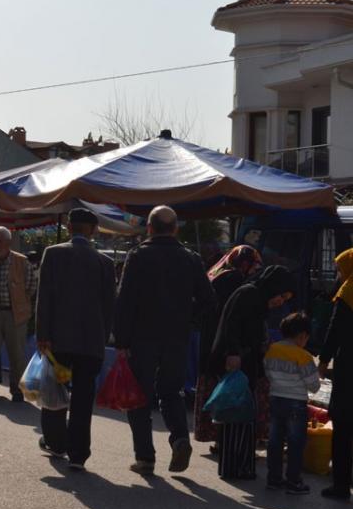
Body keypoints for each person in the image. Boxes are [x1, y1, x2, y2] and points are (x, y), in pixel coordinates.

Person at [114, 205, 215, 476]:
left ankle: (145, 457)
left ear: (149, 227)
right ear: (176, 229)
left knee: (139, 397)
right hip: (177, 337)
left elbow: (124, 301)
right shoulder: (190, 258)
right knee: (171, 391)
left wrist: (121, 340)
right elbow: (208, 300)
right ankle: (180, 437)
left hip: (141, 337)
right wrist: (187, 318)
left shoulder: (137, 256)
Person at [36, 209, 115, 470]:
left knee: (55, 390)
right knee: (83, 398)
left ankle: (56, 442)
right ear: (93, 230)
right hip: (91, 343)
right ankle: (79, 454)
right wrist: (102, 337)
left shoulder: (54, 254)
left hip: (59, 341)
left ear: (69, 227)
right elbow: (108, 306)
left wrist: (42, 334)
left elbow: (44, 297)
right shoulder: (104, 262)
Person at [210, 265, 295, 480]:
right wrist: (232, 352)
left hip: (247, 362)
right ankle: (233, 467)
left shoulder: (257, 298)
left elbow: (253, 331)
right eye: (281, 296)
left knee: (244, 416)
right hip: (236, 361)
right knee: (236, 416)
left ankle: (242, 466)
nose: (280, 302)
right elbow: (231, 324)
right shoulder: (248, 294)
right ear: (273, 287)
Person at [195, 245, 264, 447]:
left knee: (218, 387)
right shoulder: (234, 280)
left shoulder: (217, 275)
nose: (254, 270)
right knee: (228, 390)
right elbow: (233, 317)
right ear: (244, 263)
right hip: (224, 342)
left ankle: (219, 439)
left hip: (211, 339)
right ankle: (225, 440)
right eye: (252, 265)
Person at [0, 226, 38, 404]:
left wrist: (21, 304)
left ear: (8, 242)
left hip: (15, 315)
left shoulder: (22, 261)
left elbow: (31, 286)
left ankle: (17, 392)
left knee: (17, 355)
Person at [263, 312, 319, 495]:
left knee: (275, 441)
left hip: (276, 399)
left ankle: (274, 479)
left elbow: (267, 372)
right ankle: (294, 481)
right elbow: (314, 385)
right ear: (303, 336)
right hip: (296, 403)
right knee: (295, 443)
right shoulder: (304, 356)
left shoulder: (272, 349)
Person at [319, 248, 353, 501]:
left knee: (342, 425)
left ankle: (341, 485)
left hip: (349, 367)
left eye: (341, 269)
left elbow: (336, 329)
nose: (339, 275)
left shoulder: (348, 292)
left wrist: (324, 360)